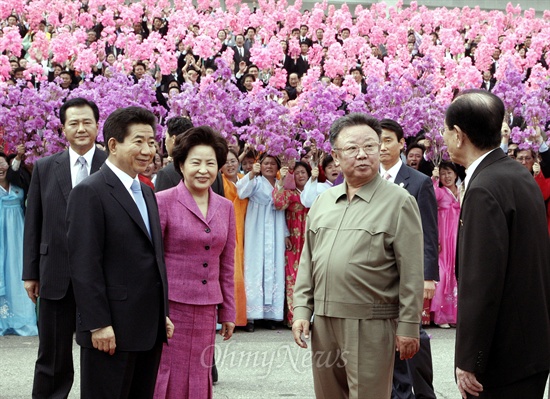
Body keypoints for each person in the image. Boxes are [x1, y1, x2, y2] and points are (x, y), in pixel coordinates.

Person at [292, 113, 424, 399]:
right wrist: (302, 310)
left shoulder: (399, 202)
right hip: (324, 322)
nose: (362, 155)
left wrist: (409, 326)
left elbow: (412, 272)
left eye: (370, 147)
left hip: (370, 323)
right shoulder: (324, 202)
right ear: (336, 157)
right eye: (352, 148)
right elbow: (308, 261)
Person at [442, 89, 550, 399]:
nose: (444, 137)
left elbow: (481, 282)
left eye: (446, 129)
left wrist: (469, 359)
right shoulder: (517, 174)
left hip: (502, 356)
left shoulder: (484, 188)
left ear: (459, 135)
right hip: (530, 347)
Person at [66, 106, 173, 399]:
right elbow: (84, 264)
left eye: (151, 142)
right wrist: (98, 324)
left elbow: (153, 258)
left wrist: (161, 312)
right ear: (113, 145)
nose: (148, 150)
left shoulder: (147, 191)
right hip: (110, 332)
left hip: (147, 328)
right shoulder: (90, 191)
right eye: (138, 141)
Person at [22, 97, 107, 398]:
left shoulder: (112, 165)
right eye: (74, 123)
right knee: (52, 356)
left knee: (100, 352)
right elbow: (34, 222)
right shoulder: (45, 167)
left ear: (98, 125)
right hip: (55, 274)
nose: (81, 128)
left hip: (102, 279)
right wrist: (31, 272)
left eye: (87, 122)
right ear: (63, 128)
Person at [154, 126, 236, 398]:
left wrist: (228, 312)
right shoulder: (162, 202)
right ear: (180, 164)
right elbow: (152, 261)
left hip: (206, 307)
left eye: (210, 163)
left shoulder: (225, 207)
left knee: (200, 373)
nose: (204, 170)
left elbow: (227, 263)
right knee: (168, 371)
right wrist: (157, 307)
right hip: (171, 307)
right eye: (196, 162)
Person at [379, 118, 438, 399]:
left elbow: (428, 232)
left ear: (402, 143)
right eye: (375, 140)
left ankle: (422, 392)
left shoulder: (418, 182)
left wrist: (428, 276)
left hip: (407, 274)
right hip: (375, 276)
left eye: (387, 139)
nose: (381, 146)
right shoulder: (363, 177)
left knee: (412, 336)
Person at [237, 153, 287, 332]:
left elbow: (284, 210)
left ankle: (271, 315)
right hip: (257, 230)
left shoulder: (281, 184)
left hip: (276, 228)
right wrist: (250, 174)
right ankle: (251, 316)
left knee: (274, 268)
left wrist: (286, 234)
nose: (269, 166)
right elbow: (240, 191)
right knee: (256, 266)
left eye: (273, 163)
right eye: (266, 163)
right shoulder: (256, 182)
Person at [0, 153, 37, 336]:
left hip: (18, 234)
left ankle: (22, 320)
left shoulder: (18, 182)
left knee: (18, 272)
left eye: (2, 163)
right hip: (1, 237)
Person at [272, 161, 310, 326]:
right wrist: (281, 180)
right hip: (294, 240)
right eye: (297, 173)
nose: (301, 175)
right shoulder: (289, 192)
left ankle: (310, 317)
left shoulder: (315, 190)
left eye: (304, 172)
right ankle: (294, 318)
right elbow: (278, 204)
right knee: (292, 278)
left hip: (310, 238)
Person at [156, 117, 224, 196]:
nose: (203, 171)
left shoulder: (166, 173)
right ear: (181, 166)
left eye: (166, 137)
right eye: (196, 163)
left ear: (173, 139)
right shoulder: (216, 174)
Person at [430, 162, 460, 328]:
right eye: (443, 174)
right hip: (443, 238)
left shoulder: (462, 190)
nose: (446, 177)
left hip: (458, 237)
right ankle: (441, 315)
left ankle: (455, 315)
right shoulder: (440, 192)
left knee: (457, 272)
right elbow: (430, 197)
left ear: (455, 174)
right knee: (443, 272)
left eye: (449, 173)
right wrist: (433, 179)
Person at [220, 149, 248, 327]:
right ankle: (233, 317)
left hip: (248, 228)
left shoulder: (245, 179)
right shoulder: (218, 182)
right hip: (229, 228)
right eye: (226, 162)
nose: (230, 165)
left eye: (233, 161)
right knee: (233, 272)